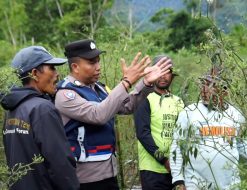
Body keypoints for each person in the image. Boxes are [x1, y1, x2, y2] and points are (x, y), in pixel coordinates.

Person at [55, 39, 173, 190]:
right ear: (75, 67)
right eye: (92, 63)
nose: (98, 67)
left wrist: (146, 83)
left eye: (98, 61)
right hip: (85, 180)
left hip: (108, 173)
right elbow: (98, 115)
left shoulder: (99, 88)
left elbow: (127, 106)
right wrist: (126, 82)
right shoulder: (66, 94)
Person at [1, 46, 80, 190]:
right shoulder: (42, 108)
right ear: (35, 74)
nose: (57, 74)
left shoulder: (11, 109)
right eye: (52, 68)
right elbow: (60, 162)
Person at [170, 72, 247, 190]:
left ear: (224, 91)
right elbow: (177, 147)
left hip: (230, 185)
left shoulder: (236, 115)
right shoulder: (189, 112)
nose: (203, 90)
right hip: (196, 184)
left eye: (210, 85)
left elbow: (242, 145)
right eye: (202, 84)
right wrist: (178, 180)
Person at [133, 55, 184, 190]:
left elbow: (182, 133)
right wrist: (163, 160)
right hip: (152, 170)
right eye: (160, 71)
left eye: (167, 72)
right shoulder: (145, 99)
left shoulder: (178, 101)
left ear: (172, 76)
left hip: (175, 169)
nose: (163, 76)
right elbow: (143, 134)